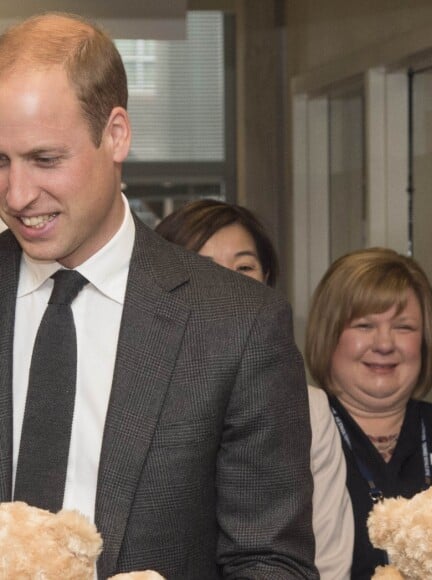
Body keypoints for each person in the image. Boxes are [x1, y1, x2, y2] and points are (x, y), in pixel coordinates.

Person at [0, 12, 317, 579]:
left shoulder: (236, 326)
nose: (18, 195)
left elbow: (271, 563)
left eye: (46, 160)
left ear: (116, 134)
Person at [155, 198, 355, 580]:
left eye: (243, 267)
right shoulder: (136, 391)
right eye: (203, 267)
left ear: (267, 280)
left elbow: (326, 554)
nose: (228, 284)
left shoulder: (309, 406)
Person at [304, 247, 432, 580]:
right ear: (329, 335)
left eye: (403, 327)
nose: (385, 343)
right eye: (364, 325)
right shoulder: (301, 435)